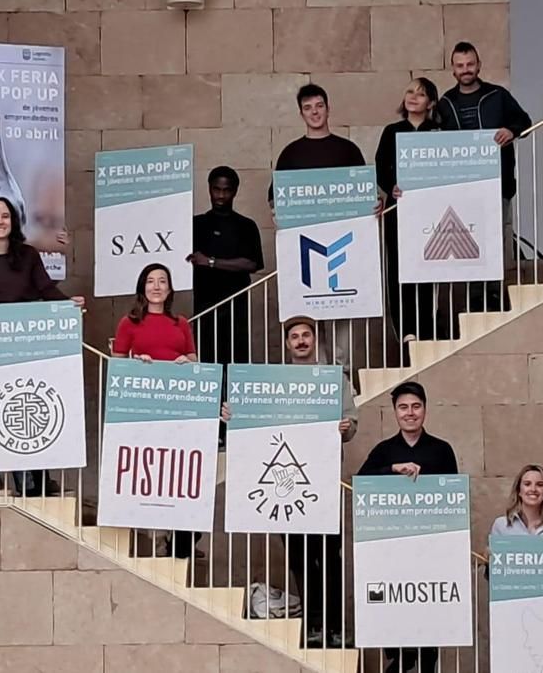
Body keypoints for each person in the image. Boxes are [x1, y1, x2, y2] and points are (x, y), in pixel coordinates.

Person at [219, 315, 358, 647]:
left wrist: (345, 427)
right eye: (294, 336)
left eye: (306, 335)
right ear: (287, 344)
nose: (300, 341)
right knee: (299, 558)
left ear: (315, 340)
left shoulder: (333, 380)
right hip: (287, 488)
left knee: (330, 557)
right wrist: (232, 417)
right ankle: (312, 624)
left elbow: (352, 423)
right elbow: (255, 421)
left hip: (321, 484)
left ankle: (336, 626)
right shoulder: (274, 382)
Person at [0, 196, 86, 497]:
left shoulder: (27, 255)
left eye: (6, 216)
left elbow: (45, 288)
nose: (0, 221)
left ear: (14, 222)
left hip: (21, 351)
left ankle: (33, 484)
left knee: (26, 410)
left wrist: (67, 303)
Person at [270, 84, 376, 373]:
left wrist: (373, 206)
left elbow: (366, 196)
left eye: (319, 106)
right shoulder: (290, 154)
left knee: (342, 326)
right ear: (300, 113)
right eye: (308, 108)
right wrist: (278, 215)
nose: (314, 112)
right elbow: (276, 199)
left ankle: (341, 388)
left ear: (328, 108)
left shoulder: (348, 150)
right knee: (308, 324)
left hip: (344, 252)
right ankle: (318, 390)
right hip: (305, 255)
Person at [357, 381, 458, 673]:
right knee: (397, 628)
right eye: (403, 407)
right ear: (395, 412)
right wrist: (392, 470)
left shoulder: (442, 450)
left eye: (416, 406)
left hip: (431, 551)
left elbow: (453, 497)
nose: (410, 413)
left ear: (424, 410)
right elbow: (361, 483)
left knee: (429, 629)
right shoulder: (385, 450)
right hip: (392, 552)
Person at [438, 41, 532, 319]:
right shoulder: (445, 103)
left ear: (478, 65)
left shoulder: (497, 95)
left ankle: (494, 292)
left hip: (497, 183)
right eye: (460, 65)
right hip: (461, 187)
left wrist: (511, 130)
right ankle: (475, 295)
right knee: (467, 241)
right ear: (453, 69)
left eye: (470, 64)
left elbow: (524, 122)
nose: (465, 70)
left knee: (495, 239)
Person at [111, 263, 199, 558]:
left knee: (178, 470)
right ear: (142, 288)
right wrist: (137, 363)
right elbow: (118, 363)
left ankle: (177, 537)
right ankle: (157, 536)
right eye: (151, 281)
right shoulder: (129, 323)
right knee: (151, 469)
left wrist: (186, 362)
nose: (157, 286)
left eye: (163, 281)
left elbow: (193, 360)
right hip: (144, 409)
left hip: (178, 409)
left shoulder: (181, 323)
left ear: (170, 289)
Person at [375, 78, 443, 353]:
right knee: (399, 271)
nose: (414, 97)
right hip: (398, 212)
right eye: (410, 91)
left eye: (421, 93)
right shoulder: (392, 131)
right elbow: (381, 167)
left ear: (431, 103)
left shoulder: (438, 132)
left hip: (430, 214)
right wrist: (391, 185)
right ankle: (406, 332)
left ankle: (426, 330)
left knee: (427, 270)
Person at [188, 166, 264, 364]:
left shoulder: (246, 226)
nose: (221, 195)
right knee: (205, 359)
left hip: (235, 305)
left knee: (236, 360)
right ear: (209, 189)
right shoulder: (196, 224)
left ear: (235, 191)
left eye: (226, 190)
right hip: (204, 305)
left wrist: (211, 262)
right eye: (216, 189)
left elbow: (252, 263)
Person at [490, 464, 543, 537]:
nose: (533, 489)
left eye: (539, 485)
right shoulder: (501, 525)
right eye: (527, 484)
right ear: (519, 491)